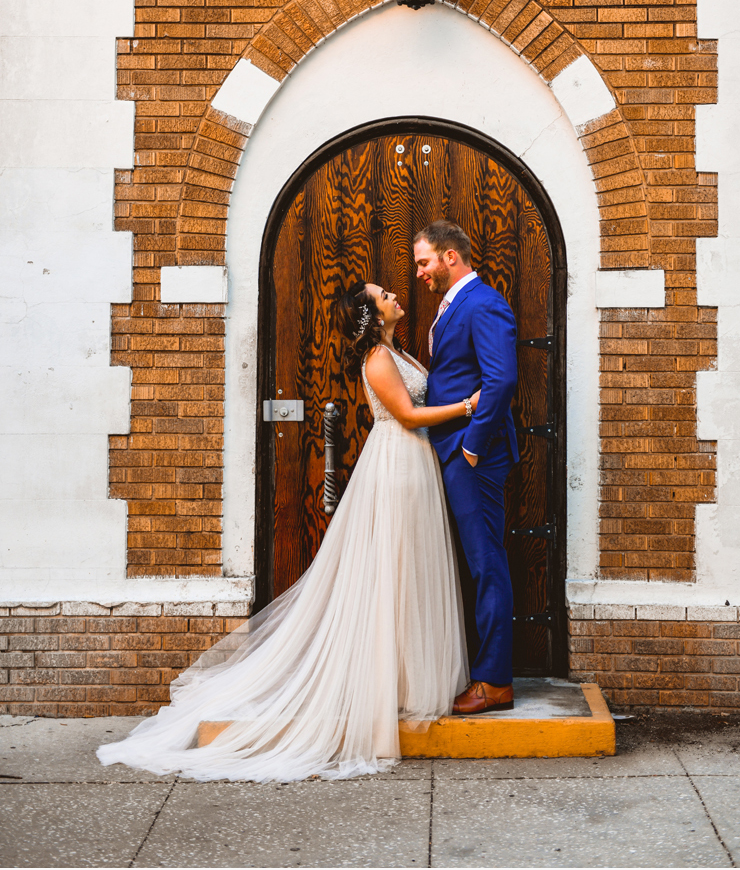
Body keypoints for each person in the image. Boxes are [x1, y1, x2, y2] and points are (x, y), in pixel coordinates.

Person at [97, 282, 476, 781]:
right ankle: (388, 688)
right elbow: (406, 415)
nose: (394, 294)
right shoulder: (379, 361)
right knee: (393, 569)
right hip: (397, 463)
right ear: (371, 312)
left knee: (410, 572)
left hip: (415, 464)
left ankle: (406, 683)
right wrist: (467, 407)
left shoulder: (396, 350)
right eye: (384, 294)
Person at [412, 220, 520, 714]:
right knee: (478, 563)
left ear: (450, 256)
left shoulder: (485, 302)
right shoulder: (455, 303)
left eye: (424, 262)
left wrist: (471, 448)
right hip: (454, 449)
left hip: (471, 454)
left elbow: (500, 380)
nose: (420, 272)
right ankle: (485, 672)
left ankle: (494, 681)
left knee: (486, 563)